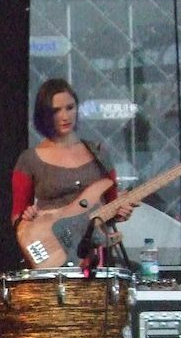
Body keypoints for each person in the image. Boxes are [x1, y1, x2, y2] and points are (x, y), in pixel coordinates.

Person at [12, 77, 134, 263]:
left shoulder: (98, 153)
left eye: (70, 108)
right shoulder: (29, 159)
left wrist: (120, 212)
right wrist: (26, 218)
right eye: (56, 110)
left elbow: (111, 203)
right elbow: (17, 215)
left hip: (96, 258)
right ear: (44, 115)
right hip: (53, 256)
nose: (65, 116)